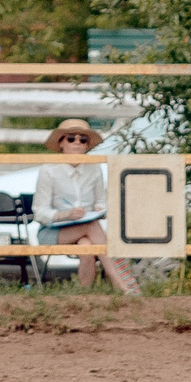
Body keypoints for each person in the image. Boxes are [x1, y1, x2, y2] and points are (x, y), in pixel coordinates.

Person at [32, 118, 140, 294]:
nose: (77, 143)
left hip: (87, 229)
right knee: (90, 227)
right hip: (53, 232)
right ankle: (120, 282)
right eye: (71, 138)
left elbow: (101, 202)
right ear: (61, 144)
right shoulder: (49, 170)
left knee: (87, 247)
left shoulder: (94, 168)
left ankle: (84, 297)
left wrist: (99, 210)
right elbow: (39, 212)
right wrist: (66, 215)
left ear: (87, 146)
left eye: (82, 140)